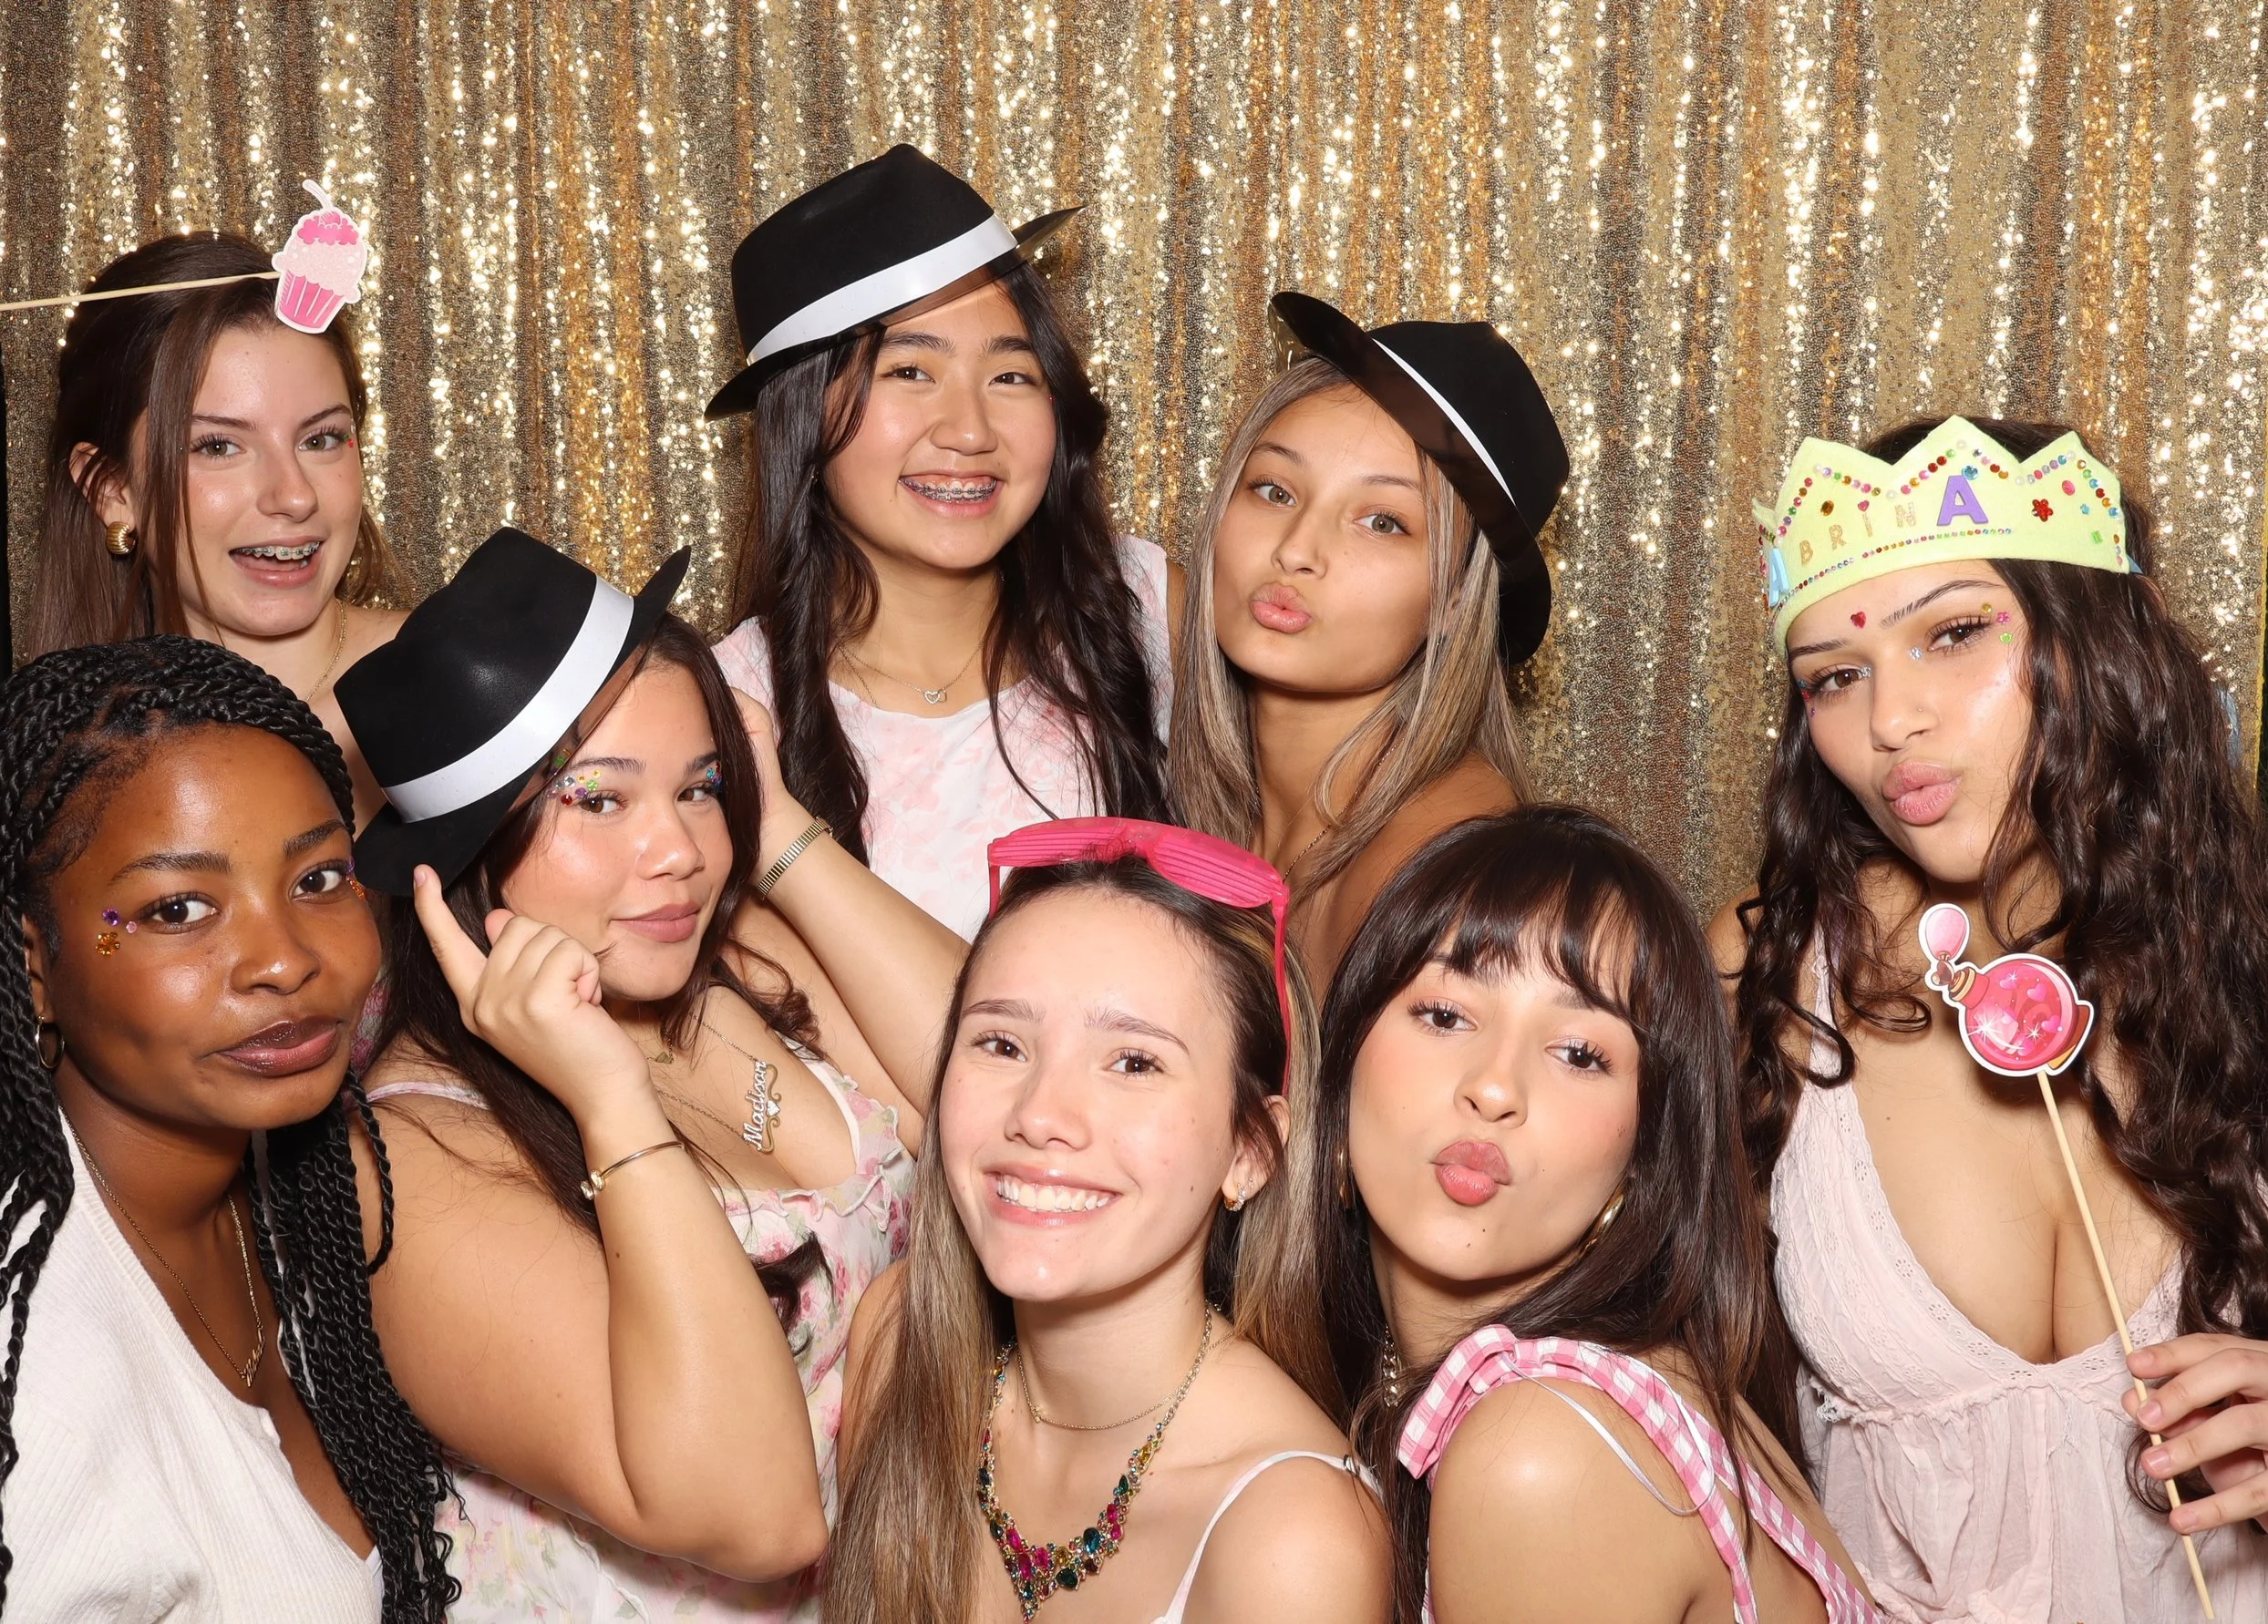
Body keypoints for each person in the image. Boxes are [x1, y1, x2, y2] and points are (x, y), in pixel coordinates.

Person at [334, 527, 966, 1620]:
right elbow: (758, 1518)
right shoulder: (414, 1157)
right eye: (600, 799)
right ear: (470, 854)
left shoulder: (735, 952)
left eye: (701, 785)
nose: (679, 849)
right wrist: (610, 1098)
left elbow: (1011, 1089)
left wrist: (780, 831)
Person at [1717, 414, 2268, 1619]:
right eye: (1835, 675)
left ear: (2097, 647)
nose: (1890, 722)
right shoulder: (1760, 982)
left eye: (1957, 633)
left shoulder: (2256, 967)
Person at [1311, 807, 1872, 1622]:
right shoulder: (1642, 1375)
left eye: (1579, 1053)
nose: (1495, 1088)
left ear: (1643, 1156)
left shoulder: (1546, 1448)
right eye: (1445, 1014)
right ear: (1344, 1061)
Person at [826, 818, 1389, 1623]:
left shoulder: (1294, 1539)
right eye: (1001, 1043)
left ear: (1249, 1151)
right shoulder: (896, 1343)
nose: (1041, 1114)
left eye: (1134, 1062)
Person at [0, 636, 454, 1622]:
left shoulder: (293, 1207)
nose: (282, 961)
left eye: (319, 880)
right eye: (178, 907)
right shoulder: (40, 1387)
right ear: (33, 962)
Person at [708, 145, 1172, 938]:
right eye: (910, 373)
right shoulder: (732, 708)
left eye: (1013, 377)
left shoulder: (1147, 608)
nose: (969, 430)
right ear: (802, 416)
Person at [1170, 292, 1566, 988]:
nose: (1297, 550)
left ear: (1453, 601)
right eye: (1274, 490)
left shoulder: (1446, 883)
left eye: (1382, 521)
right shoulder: (1200, 802)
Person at [26, 231, 404, 824]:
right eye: (220, 445)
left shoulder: (485, 685)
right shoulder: (53, 772)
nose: (294, 495)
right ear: (112, 491)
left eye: (321, 438)